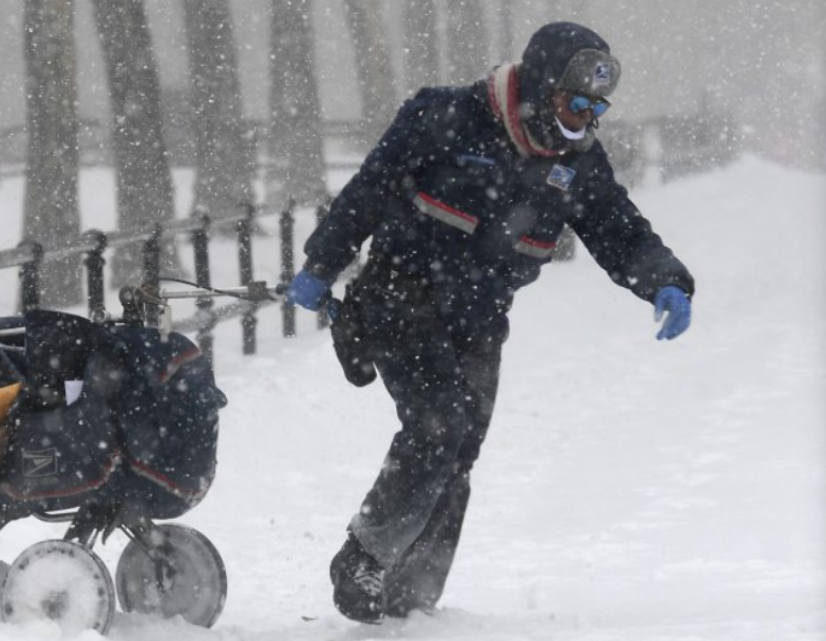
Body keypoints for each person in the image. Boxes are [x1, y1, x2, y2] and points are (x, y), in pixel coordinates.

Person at [284, 22, 694, 623]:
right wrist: (321, 262)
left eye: (595, 107)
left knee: (461, 448)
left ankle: (412, 594)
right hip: (399, 297)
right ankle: (365, 557)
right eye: (573, 102)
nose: (584, 118)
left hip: (479, 317)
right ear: (540, 86)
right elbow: (370, 189)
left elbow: (618, 229)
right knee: (438, 425)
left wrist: (665, 279)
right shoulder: (445, 116)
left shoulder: (577, 162)